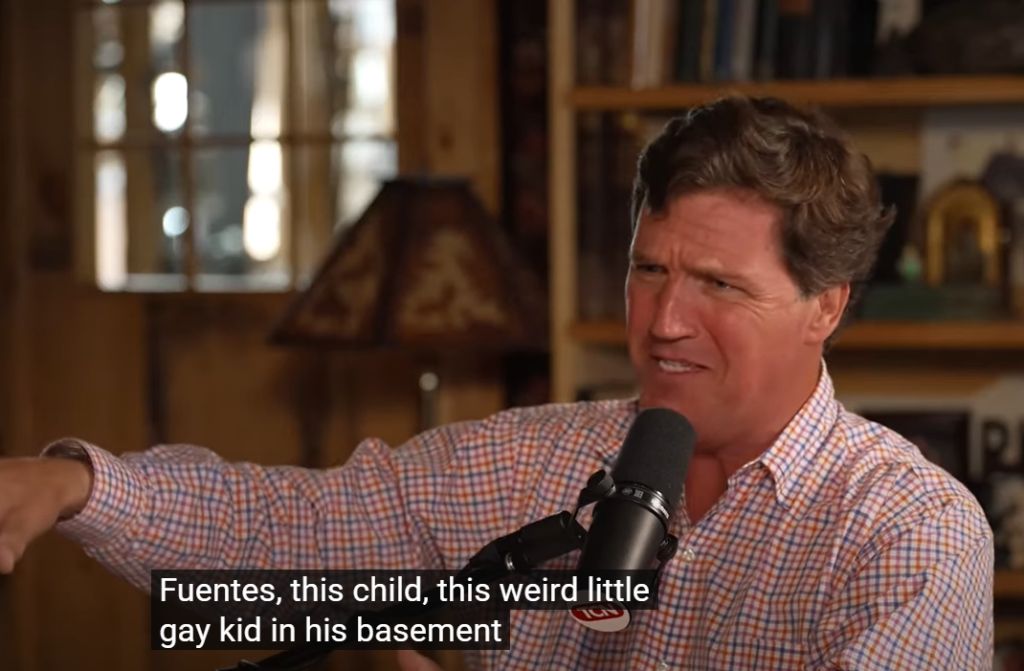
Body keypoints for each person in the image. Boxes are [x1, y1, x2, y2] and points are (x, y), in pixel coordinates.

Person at [0, 95, 992, 669]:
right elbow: (291, 529)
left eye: (719, 285)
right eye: (649, 269)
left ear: (826, 305)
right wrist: (75, 486)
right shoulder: (529, 462)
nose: (663, 320)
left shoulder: (909, 531)